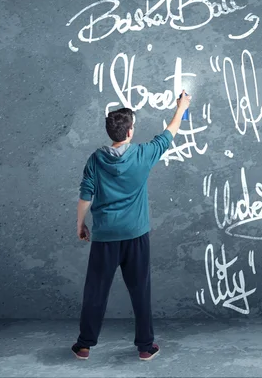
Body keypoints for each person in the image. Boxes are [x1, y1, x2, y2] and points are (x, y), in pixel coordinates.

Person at [71, 91, 191, 361]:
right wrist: (182, 107)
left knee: (95, 292)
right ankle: (146, 348)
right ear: (129, 131)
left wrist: (81, 224)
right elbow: (171, 131)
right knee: (140, 290)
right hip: (135, 235)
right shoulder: (143, 154)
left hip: (104, 237)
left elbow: (85, 196)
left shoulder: (95, 159)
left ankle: (84, 345)